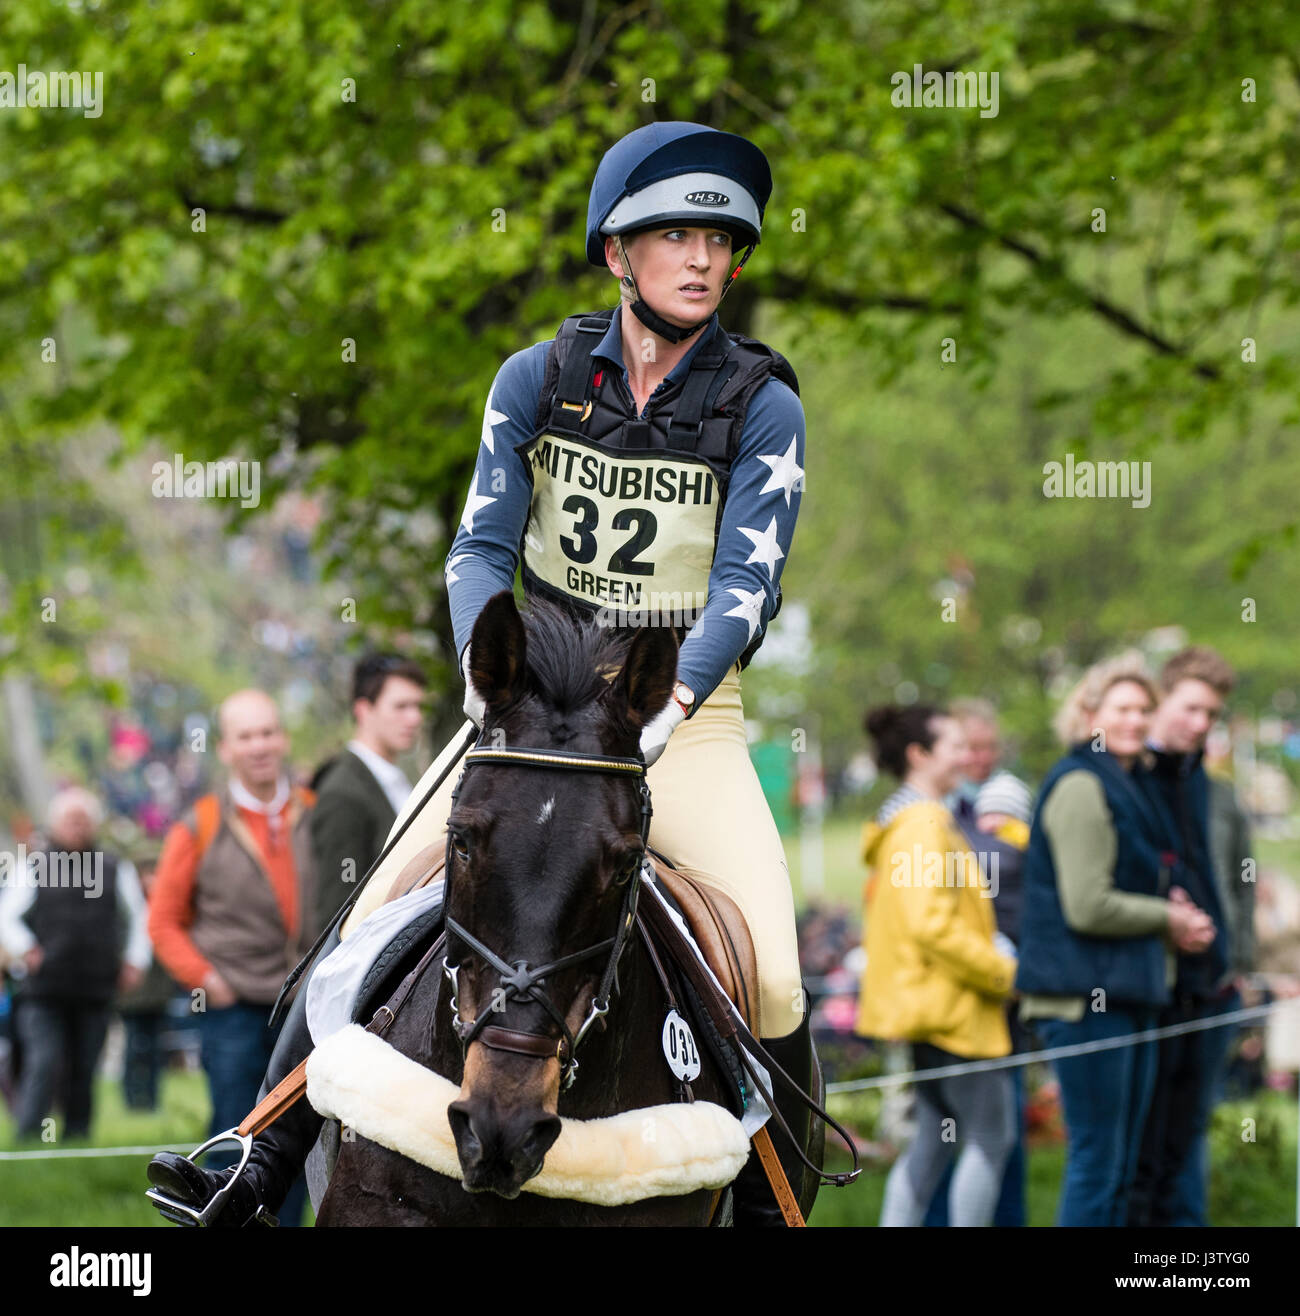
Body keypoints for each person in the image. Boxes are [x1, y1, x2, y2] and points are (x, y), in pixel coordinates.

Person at [150, 120, 812, 1227]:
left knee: (780, 971)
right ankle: (257, 1152)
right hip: (530, 706)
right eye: (675, 236)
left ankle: (775, 1209)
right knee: (367, 914)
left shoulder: (764, 405)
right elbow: (478, 549)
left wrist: (666, 708)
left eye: (720, 241)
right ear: (617, 254)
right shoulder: (536, 377)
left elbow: (746, 589)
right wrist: (481, 676)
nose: (702, 259)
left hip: (680, 718)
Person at [1016, 654, 1215, 1226]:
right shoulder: (1081, 783)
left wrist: (1167, 903)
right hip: (1085, 1003)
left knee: (1122, 1166)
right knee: (1099, 1165)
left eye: (1144, 709)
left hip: (1125, 995)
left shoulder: (1123, 782)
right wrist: (1168, 919)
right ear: (1089, 713)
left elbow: (1128, 878)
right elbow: (1087, 904)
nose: (1135, 719)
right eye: (1122, 708)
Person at [147, 689, 321, 1224]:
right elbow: (162, 922)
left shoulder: (317, 813)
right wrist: (207, 978)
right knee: (235, 1134)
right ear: (225, 748)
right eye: (246, 736)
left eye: (268, 732)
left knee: (301, 1139)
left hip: (306, 1010)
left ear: (283, 739)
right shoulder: (197, 824)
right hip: (233, 1013)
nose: (260, 745)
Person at [855, 704, 1019, 1227]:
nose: (967, 756)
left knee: (933, 1138)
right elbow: (932, 925)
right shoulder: (924, 825)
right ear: (919, 755)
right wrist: (1001, 971)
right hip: (952, 1010)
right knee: (992, 1138)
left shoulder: (915, 820)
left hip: (933, 1007)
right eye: (954, 746)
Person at [1127, 647, 1238, 1227]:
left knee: (1188, 1140)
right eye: (1191, 708)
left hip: (1212, 989)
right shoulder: (1127, 776)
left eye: (1212, 715)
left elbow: (1237, 878)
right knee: (1141, 1145)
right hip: (1148, 987)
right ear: (1161, 698)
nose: (1201, 725)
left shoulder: (1215, 790)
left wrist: (1233, 956)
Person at [0, 787, 150, 1139]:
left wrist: (134, 961)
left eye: (83, 820)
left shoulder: (114, 866)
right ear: (55, 824)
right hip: (43, 989)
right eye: (70, 820)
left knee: (85, 1066)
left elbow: (140, 918)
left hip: (96, 985)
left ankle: (78, 1138)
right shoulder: (34, 864)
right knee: (44, 1062)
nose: (77, 827)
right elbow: (6, 916)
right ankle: (28, 1136)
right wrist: (26, 949)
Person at [310, 654, 426, 930]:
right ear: (364, 710)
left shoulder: (395, 777)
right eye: (401, 706)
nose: (415, 718)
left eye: (418, 706)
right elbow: (335, 915)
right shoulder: (342, 793)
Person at [116, 845, 181, 1111]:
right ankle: (132, 1098)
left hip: (158, 992)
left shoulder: (165, 905)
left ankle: (152, 1099)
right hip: (131, 994)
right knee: (133, 1046)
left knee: (156, 1046)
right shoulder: (128, 906)